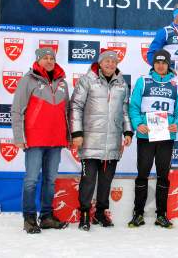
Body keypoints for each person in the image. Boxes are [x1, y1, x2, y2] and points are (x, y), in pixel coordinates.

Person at [70, 48, 133, 231]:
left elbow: (124, 111)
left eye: (114, 62)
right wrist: (76, 133)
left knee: (106, 181)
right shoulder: (87, 80)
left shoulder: (122, 84)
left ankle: (100, 213)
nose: (110, 64)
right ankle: (84, 214)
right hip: (90, 141)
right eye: (107, 61)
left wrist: (127, 132)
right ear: (100, 62)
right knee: (88, 180)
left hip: (112, 143)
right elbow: (75, 107)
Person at [11, 47, 69, 234]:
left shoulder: (62, 83)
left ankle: (46, 217)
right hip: (34, 139)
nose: (49, 61)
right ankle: (29, 218)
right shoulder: (28, 80)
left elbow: (67, 112)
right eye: (45, 58)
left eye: (52, 58)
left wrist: (67, 136)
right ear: (38, 60)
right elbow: (17, 110)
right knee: (31, 180)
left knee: (50, 180)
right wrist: (19, 137)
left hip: (56, 140)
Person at [127, 49, 178, 228]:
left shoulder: (176, 84)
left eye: (164, 63)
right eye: (158, 62)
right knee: (142, 174)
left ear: (168, 65)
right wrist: (138, 124)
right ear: (153, 64)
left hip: (166, 136)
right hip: (146, 135)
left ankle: (162, 214)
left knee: (163, 176)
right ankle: (138, 214)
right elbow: (134, 107)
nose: (161, 65)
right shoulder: (143, 81)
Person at [147, 3, 178, 168]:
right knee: (164, 113)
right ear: (174, 15)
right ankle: (160, 156)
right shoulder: (165, 31)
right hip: (169, 80)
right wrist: (164, 70)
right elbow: (152, 53)